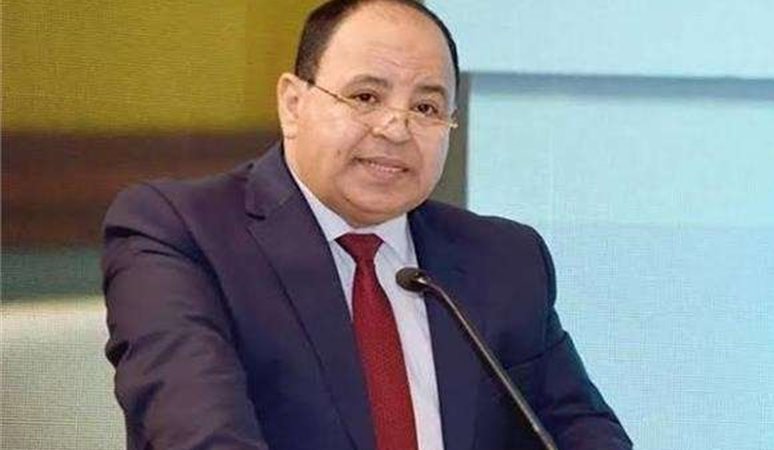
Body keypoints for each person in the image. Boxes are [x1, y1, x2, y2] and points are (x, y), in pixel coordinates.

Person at [102, 1, 632, 449]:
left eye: (426, 107)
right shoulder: (180, 233)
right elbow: (202, 436)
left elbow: (581, 432)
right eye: (365, 97)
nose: (396, 129)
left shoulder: (504, 259)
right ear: (293, 103)